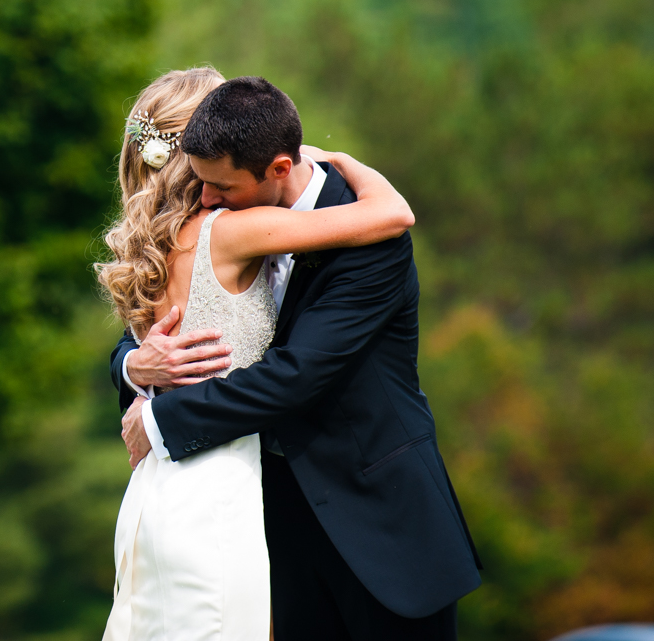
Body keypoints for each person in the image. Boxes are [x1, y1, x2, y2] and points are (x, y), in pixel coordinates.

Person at [108, 74, 480, 641]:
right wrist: (135, 366)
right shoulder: (212, 230)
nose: (208, 198)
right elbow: (143, 332)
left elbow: (298, 373)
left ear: (277, 168)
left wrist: (160, 419)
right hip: (261, 515)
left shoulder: (365, 232)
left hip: (378, 520)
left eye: (222, 187)